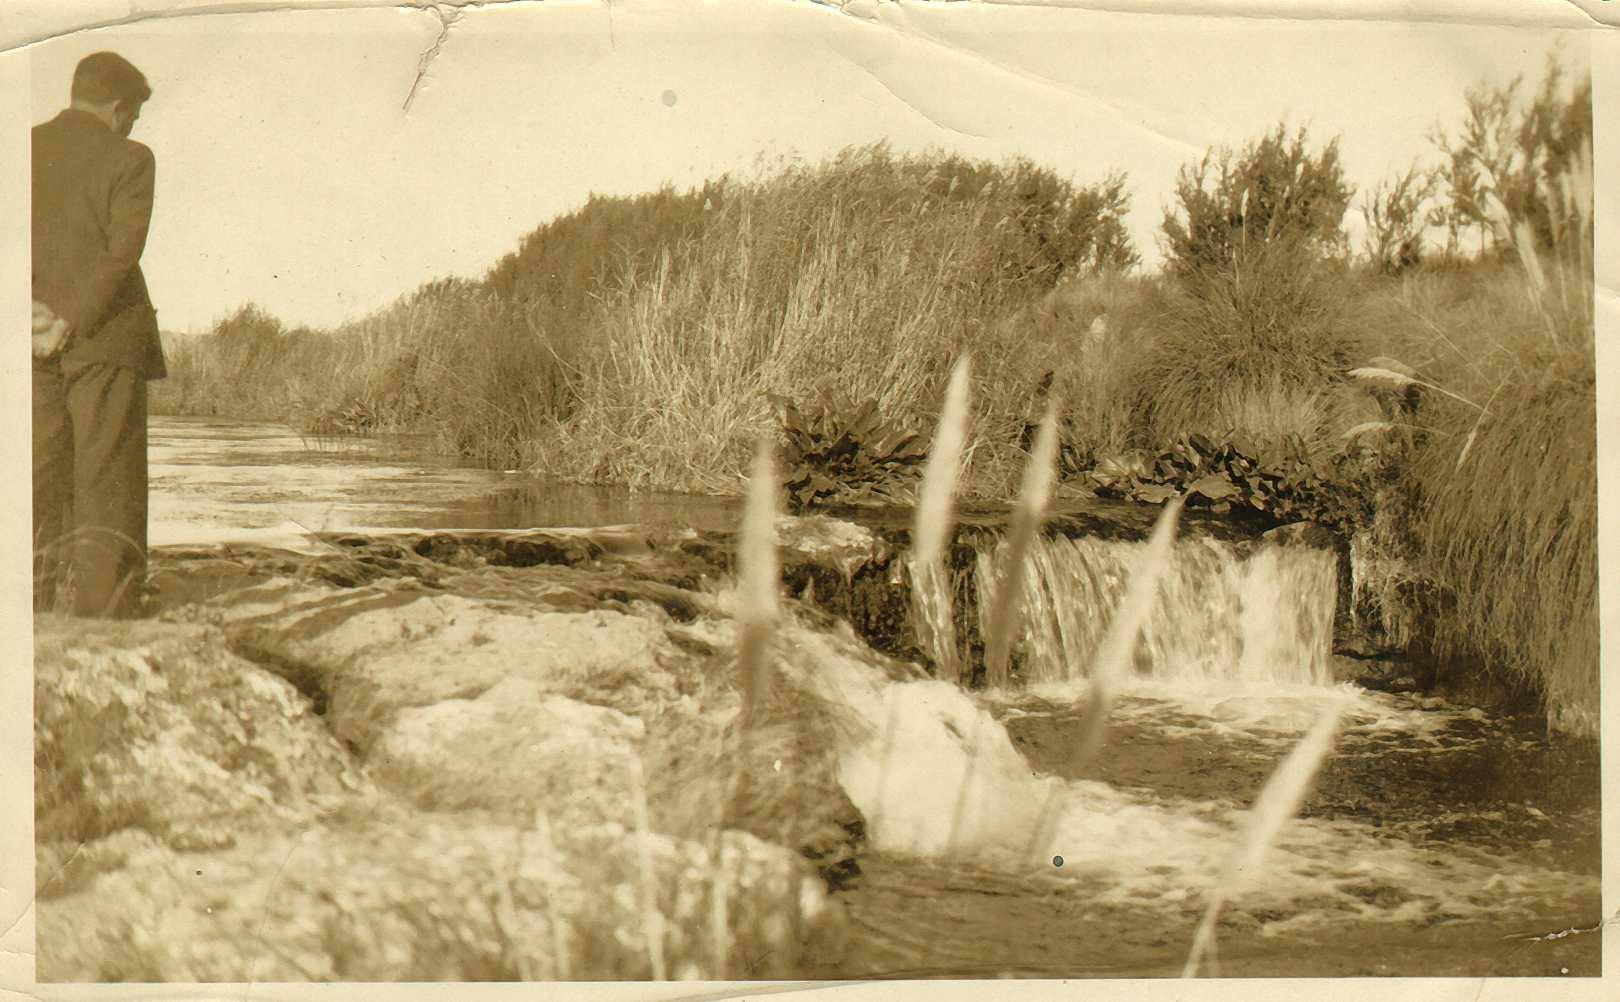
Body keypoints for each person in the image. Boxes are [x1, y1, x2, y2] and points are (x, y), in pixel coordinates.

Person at [32, 51, 167, 618]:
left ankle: (30, 615)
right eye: (133, 114)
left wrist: (32, 314)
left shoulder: (23, 147)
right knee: (108, 484)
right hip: (105, 339)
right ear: (118, 107)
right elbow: (120, 253)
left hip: (27, 337)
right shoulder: (131, 157)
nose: (132, 124)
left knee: (33, 478)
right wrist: (69, 319)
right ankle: (105, 618)